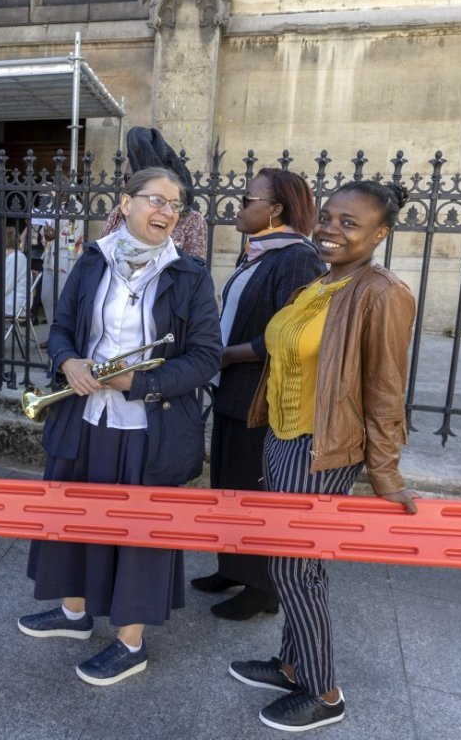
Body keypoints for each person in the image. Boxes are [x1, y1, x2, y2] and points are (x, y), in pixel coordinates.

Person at [17, 167, 221, 687]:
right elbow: (61, 329)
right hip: (85, 415)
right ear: (126, 203)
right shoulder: (92, 260)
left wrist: (137, 383)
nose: (167, 212)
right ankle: (73, 613)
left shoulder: (190, 274)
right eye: (157, 200)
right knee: (75, 514)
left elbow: (205, 358)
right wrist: (69, 365)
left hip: (147, 427)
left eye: (175, 206)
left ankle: (130, 643)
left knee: (138, 532)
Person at [230, 181, 418, 732]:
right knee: (291, 560)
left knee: (297, 565)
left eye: (350, 223)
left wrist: (385, 472)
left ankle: (324, 691)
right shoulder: (323, 282)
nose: (331, 229)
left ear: (380, 233)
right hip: (285, 436)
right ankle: (292, 664)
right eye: (329, 217)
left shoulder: (382, 292)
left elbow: (387, 389)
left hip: (322, 448)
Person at [191, 169, 325, 620]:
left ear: (275, 210)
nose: (237, 206)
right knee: (228, 483)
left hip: (260, 397)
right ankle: (232, 566)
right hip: (233, 388)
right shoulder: (260, 253)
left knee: (251, 489)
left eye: (246, 199)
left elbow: (294, 334)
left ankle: (263, 588)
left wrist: (228, 355)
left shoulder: (298, 260)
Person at [102, 127, 207, 259]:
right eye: (125, 178)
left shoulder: (192, 221)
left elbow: (194, 273)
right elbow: (101, 258)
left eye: (129, 178)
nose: (124, 184)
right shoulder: (119, 212)